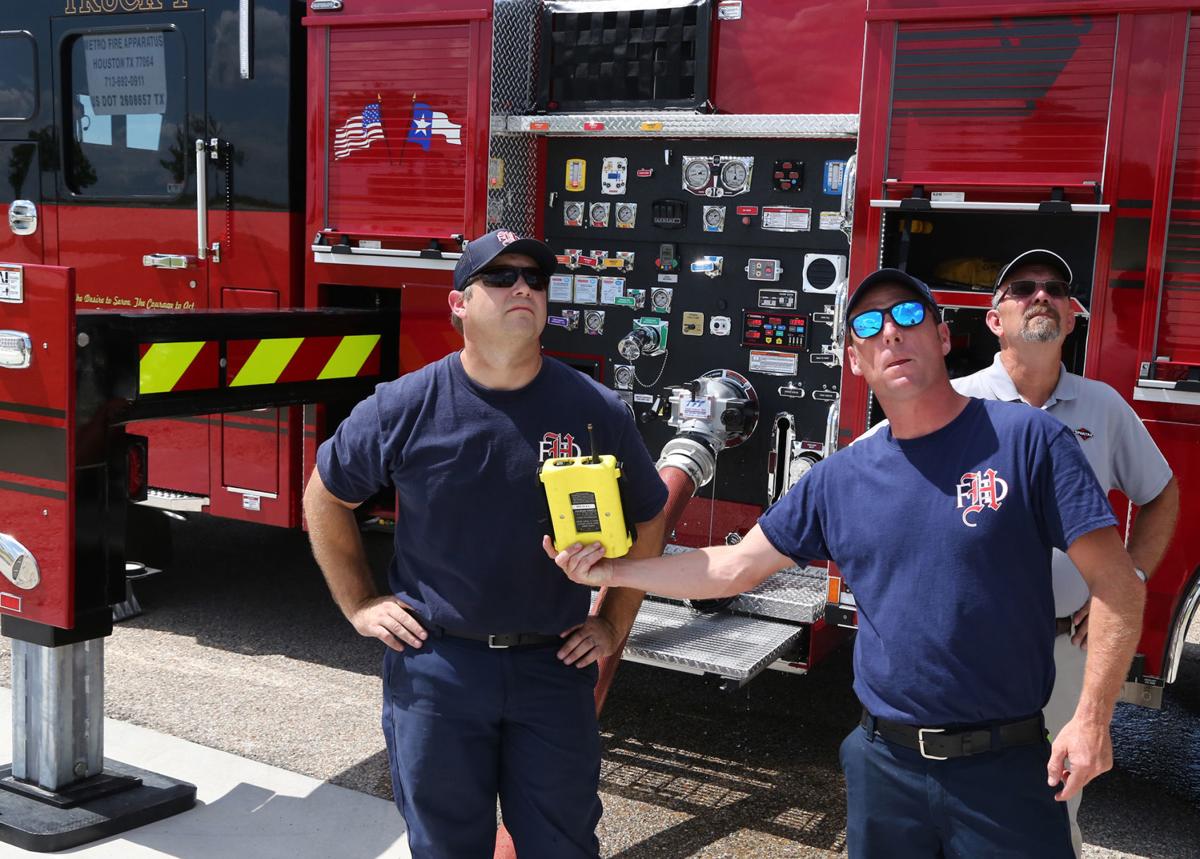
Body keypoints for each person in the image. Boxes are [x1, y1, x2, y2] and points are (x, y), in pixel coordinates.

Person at [549, 268, 1147, 858]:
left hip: (1005, 768)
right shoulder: (840, 478)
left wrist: (1093, 718)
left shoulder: (1028, 441)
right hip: (884, 767)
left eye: (909, 315)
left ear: (942, 338)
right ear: (855, 360)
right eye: (870, 323)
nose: (891, 332)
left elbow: (1117, 584)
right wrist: (610, 572)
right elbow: (732, 568)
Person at [303, 228, 668, 859]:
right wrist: (361, 604)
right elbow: (324, 496)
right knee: (447, 847)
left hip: (553, 668)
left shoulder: (593, 409)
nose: (522, 287)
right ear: (459, 304)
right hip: (439, 669)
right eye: (500, 278)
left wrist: (612, 621)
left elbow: (651, 516)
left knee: (564, 846)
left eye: (535, 278)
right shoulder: (405, 405)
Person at [953, 249, 1179, 856]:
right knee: (960, 803)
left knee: (1054, 803)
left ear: (1073, 317)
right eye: (1022, 287)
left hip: (1064, 651)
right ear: (994, 318)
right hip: (968, 650)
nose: (1041, 295)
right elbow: (873, 488)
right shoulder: (951, 403)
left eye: (1055, 288)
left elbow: (1160, 495)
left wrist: (1126, 576)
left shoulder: (1102, 406)